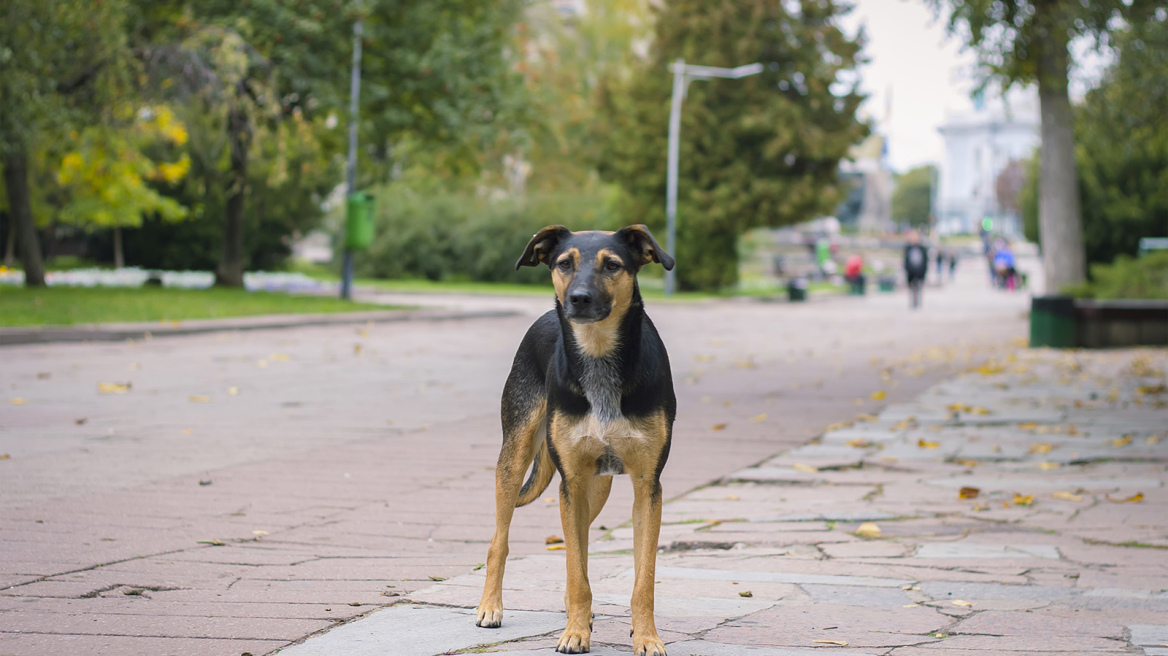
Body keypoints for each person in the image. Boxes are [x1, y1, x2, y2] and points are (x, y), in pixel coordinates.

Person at [903, 230, 928, 308]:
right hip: (911, 271)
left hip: (919, 271)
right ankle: (912, 302)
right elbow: (905, 260)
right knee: (911, 288)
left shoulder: (922, 248)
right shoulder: (908, 248)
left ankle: (918, 302)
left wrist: (924, 271)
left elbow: (925, 260)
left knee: (919, 288)